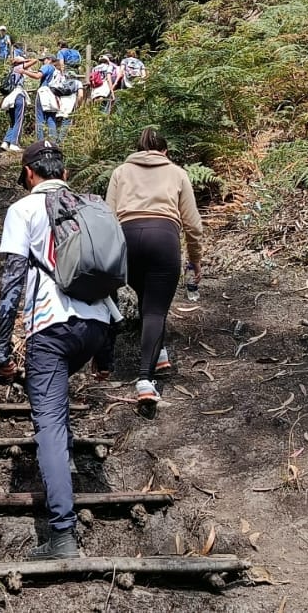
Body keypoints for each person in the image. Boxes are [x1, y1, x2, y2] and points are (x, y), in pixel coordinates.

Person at [0, 141, 120, 559]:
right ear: (63, 172)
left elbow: (12, 282)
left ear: (29, 173)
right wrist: (106, 357)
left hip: (51, 328)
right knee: (58, 409)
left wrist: (2, 351)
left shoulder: (23, 210)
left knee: (49, 424)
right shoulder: (88, 206)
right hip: (98, 325)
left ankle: (62, 535)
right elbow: (106, 277)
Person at [106, 127, 203, 412]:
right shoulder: (177, 173)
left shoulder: (120, 172)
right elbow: (193, 225)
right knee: (155, 310)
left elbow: (108, 216)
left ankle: (159, 352)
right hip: (164, 238)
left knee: (145, 297)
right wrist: (195, 259)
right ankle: (145, 381)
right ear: (165, 151)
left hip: (127, 239)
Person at [0, 56, 42, 152]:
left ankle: (6, 142)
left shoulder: (12, 70)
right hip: (18, 95)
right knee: (19, 120)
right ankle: (14, 143)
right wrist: (23, 60)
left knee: (13, 122)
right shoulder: (19, 67)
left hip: (10, 97)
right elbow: (34, 60)